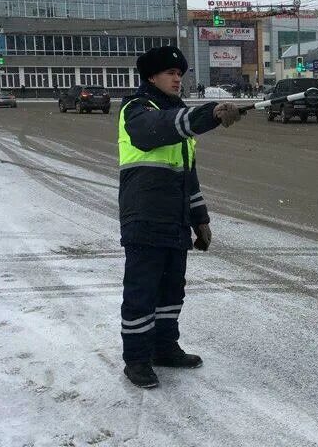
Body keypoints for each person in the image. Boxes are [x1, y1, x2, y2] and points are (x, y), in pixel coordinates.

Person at [118, 46, 241, 388]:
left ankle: (164, 346)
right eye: (170, 73)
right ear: (151, 77)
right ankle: (137, 359)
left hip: (174, 219)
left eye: (179, 74)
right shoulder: (138, 109)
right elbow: (154, 131)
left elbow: (188, 176)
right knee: (142, 292)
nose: (177, 79)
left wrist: (200, 218)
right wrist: (209, 115)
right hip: (143, 216)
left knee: (172, 289)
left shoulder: (179, 118)